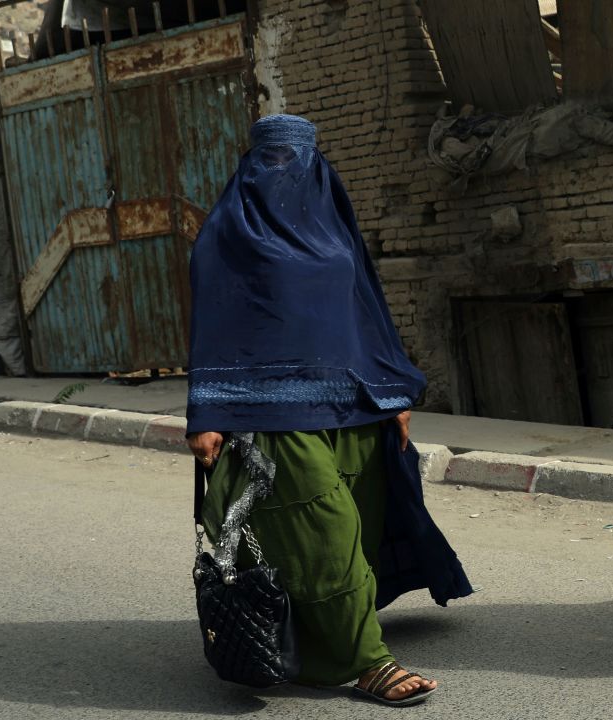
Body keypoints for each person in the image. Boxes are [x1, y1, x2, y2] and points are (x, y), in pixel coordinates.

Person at [185, 114, 472, 704]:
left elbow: (365, 311)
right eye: (273, 158)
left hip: (351, 406)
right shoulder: (227, 234)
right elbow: (213, 323)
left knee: (351, 537)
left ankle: (324, 637)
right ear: (252, 161)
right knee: (325, 533)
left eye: (297, 157)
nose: (283, 171)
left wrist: (393, 394)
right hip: (267, 416)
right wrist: (207, 411)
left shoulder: (335, 229)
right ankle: (369, 662)